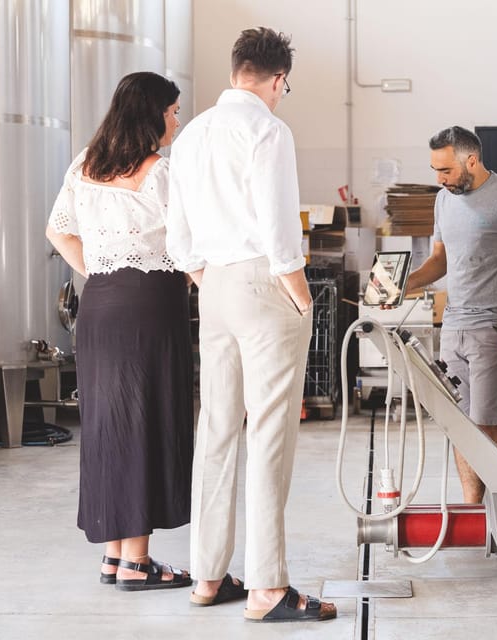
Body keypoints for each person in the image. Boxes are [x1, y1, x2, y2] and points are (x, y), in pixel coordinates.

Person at [166, 27, 336, 622]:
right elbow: (278, 227)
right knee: (269, 433)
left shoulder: (189, 137)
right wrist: (300, 295)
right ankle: (267, 587)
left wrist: (207, 279)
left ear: (237, 68)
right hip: (264, 282)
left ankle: (208, 576)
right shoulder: (268, 128)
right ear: (277, 80)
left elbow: (178, 234)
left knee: (216, 430)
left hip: (212, 285)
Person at [46, 71, 194, 591]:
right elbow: (187, 245)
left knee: (108, 422)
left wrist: (101, 270)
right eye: (173, 111)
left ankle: (114, 555)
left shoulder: (84, 164)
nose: (177, 120)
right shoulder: (157, 171)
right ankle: (137, 561)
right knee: (146, 418)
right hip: (149, 306)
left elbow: (56, 229)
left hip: (100, 304)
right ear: (151, 113)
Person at [405, 125, 497, 504]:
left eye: (445, 170)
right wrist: (402, 286)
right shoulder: (443, 201)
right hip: (454, 326)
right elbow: (439, 260)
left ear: (471, 160)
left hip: (493, 326)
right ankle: (472, 508)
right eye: (435, 170)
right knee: (460, 424)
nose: (439, 179)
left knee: (486, 422)